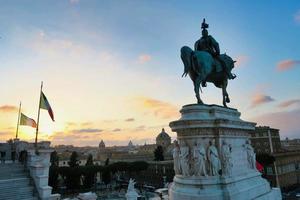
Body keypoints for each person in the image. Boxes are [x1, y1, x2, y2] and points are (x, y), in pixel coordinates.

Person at [194, 19, 236, 87]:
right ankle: (229, 74)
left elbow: (196, 51)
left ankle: (203, 81)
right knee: (222, 61)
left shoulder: (198, 41)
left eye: (205, 32)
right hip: (210, 53)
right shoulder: (209, 38)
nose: (204, 33)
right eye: (204, 32)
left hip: (202, 55)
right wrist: (217, 52)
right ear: (205, 33)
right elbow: (216, 44)